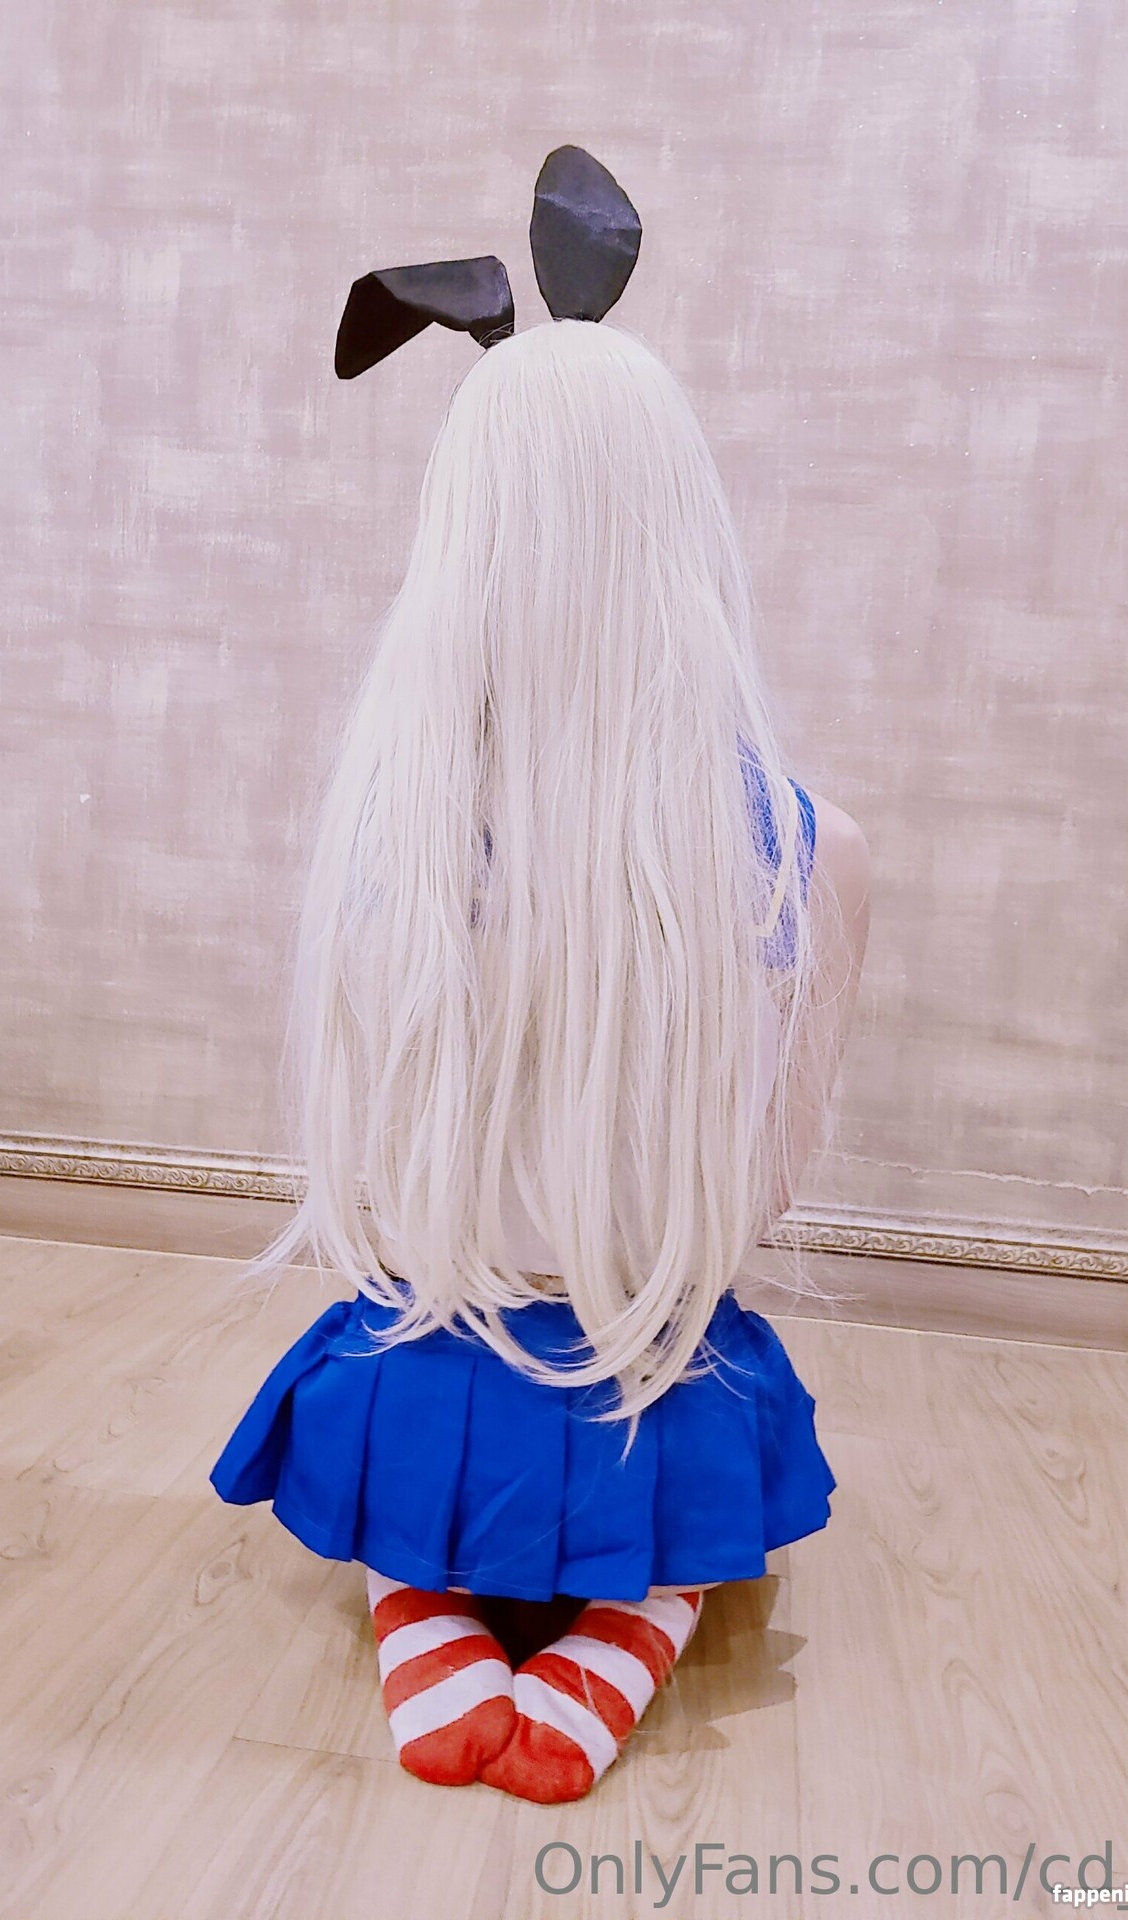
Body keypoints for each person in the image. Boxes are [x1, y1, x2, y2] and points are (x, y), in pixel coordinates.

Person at [211, 176, 870, 1805]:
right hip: (650, 1374)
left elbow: (374, 1191)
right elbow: (760, 1195)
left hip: (427, 1366)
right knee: (704, 1422)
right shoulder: (809, 853)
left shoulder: (387, 843)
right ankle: (632, 1616)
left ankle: (420, 1595)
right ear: (683, 533)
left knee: (377, 1383)